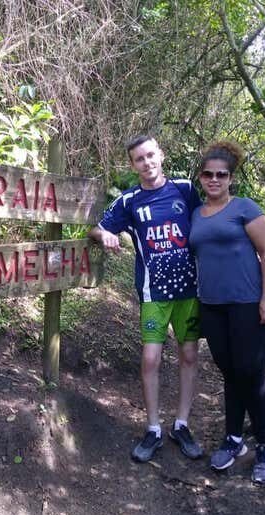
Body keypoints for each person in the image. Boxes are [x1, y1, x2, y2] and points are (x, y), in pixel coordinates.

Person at [89, 135, 203, 463]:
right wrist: (106, 234)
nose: (147, 163)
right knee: (151, 358)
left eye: (151, 155)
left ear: (161, 155)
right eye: (139, 159)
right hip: (153, 292)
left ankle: (182, 425)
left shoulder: (184, 189)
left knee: (190, 354)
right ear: (132, 165)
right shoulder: (130, 201)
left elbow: (207, 221)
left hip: (189, 290)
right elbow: (95, 229)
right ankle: (152, 428)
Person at [188, 141, 265, 483]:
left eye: (221, 175)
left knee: (250, 371)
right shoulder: (196, 213)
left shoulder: (245, 208)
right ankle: (234, 439)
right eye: (208, 174)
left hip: (247, 303)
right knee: (230, 372)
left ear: (230, 178)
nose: (214, 179)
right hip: (211, 305)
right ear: (200, 177)